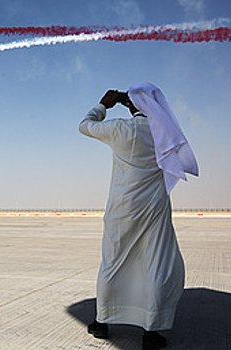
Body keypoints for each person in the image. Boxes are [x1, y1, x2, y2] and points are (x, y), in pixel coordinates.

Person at [78, 83, 198, 350]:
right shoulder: (165, 133)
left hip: (122, 209)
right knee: (157, 265)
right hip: (154, 208)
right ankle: (151, 330)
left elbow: (85, 125)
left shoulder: (122, 128)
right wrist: (133, 101)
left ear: (131, 105)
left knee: (113, 262)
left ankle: (102, 322)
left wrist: (104, 105)